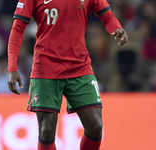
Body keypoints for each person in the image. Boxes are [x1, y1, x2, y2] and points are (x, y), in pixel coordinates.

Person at [7, 0, 128, 149]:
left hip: (80, 67)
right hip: (46, 69)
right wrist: (12, 67)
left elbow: (107, 15)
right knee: (46, 131)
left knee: (96, 127)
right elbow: (18, 28)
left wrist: (117, 28)